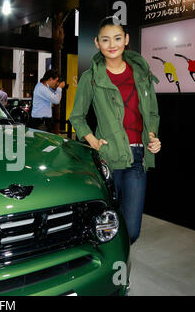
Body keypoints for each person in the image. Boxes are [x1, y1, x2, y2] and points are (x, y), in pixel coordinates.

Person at [69, 16, 161, 244]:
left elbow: (152, 114)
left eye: (117, 38)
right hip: (107, 158)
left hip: (138, 157)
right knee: (106, 225)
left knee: (132, 230)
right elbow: (77, 117)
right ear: (97, 43)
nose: (112, 44)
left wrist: (152, 137)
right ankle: (114, 272)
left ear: (126, 40)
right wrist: (93, 141)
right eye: (106, 40)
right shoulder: (90, 78)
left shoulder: (142, 74)